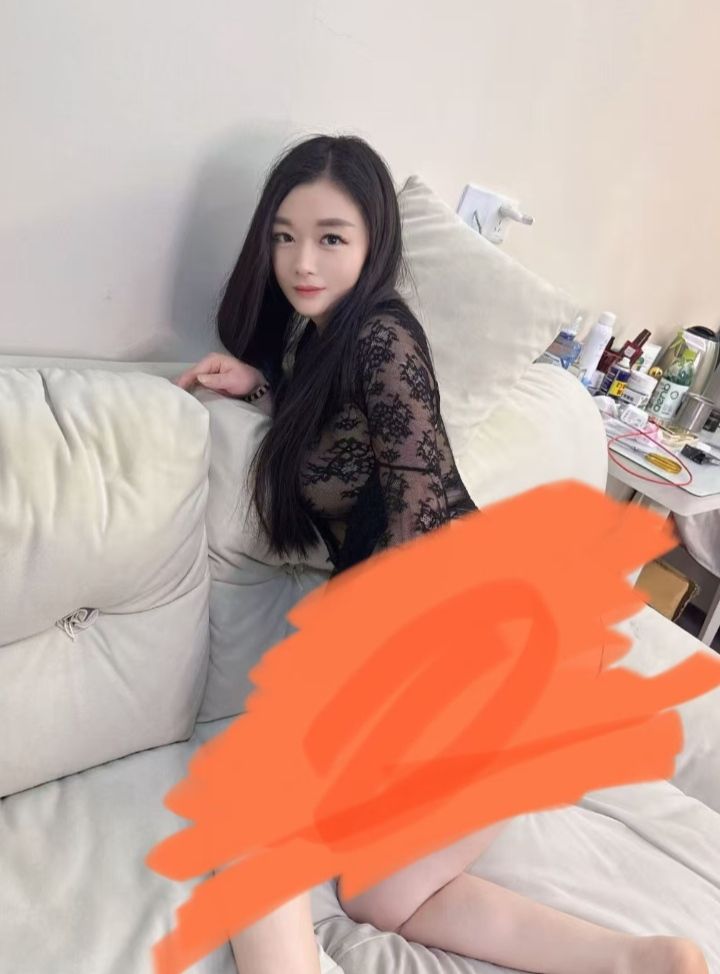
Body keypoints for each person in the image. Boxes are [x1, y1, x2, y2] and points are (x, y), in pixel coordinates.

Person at [175, 134, 708, 974]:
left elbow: (419, 513)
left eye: (330, 237)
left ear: (374, 240)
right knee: (384, 897)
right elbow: (346, 446)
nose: (302, 261)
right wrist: (263, 386)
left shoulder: (382, 337)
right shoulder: (317, 341)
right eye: (284, 236)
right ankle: (641, 962)